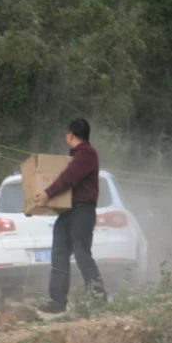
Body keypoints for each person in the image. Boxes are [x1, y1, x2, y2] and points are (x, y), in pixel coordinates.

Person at [35, 118, 108, 314]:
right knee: (59, 252)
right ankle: (57, 301)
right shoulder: (74, 156)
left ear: (71, 135)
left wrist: (47, 193)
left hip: (83, 210)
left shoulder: (86, 154)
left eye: (66, 134)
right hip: (68, 211)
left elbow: (69, 177)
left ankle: (99, 298)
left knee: (82, 253)